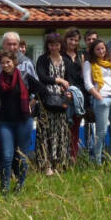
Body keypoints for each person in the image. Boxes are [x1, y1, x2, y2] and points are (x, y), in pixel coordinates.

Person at [0, 50, 39, 192]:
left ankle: (20, 186)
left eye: (8, 62)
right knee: (6, 155)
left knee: (22, 156)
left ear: (14, 62)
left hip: (24, 121)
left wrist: (30, 104)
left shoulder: (25, 76)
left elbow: (41, 90)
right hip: (5, 122)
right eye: (3, 63)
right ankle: (5, 187)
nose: (5, 65)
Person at [35, 32, 74, 175]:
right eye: (51, 45)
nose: (54, 47)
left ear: (60, 45)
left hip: (62, 101)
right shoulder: (42, 59)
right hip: (46, 101)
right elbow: (41, 76)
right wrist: (58, 80)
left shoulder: (67, 61)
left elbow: (70, 78)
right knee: (46, 132)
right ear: (47, 46)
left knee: (61, 133)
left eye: (56, 44)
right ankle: (46, 165)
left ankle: (59, 163)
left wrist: (69, 92)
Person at [83, 39, 111, 164]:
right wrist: (99, 97)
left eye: (103, 48)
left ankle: (109, 156)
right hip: (102, 99)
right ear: (93, 51)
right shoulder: (89, 64)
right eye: (98, 49)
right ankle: (97, 160)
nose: (101, 51)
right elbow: (88, 84)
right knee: (102, 131)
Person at [62, 27, 86, 161]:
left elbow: (82, 76)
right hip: (64, 94)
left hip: (78, 95)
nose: (73, 42)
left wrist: (78, 93)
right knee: (64, 127)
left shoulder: (80, 56)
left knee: (75, 128)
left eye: (76, 40)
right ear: (66, 39)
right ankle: (63, 156)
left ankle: (73, 157)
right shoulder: (60, 55)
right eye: (71, 39)